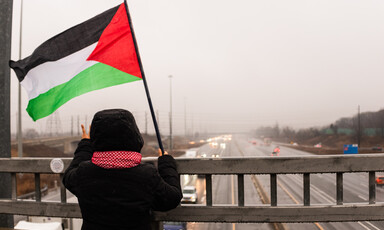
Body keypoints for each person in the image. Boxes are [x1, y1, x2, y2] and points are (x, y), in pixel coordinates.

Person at [63, 109, 182, 230]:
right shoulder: (146, 175)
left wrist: (85, 145)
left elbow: (68, 177)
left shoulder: (85, 173)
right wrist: (166, 163)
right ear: (134, 135)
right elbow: (172, 198)